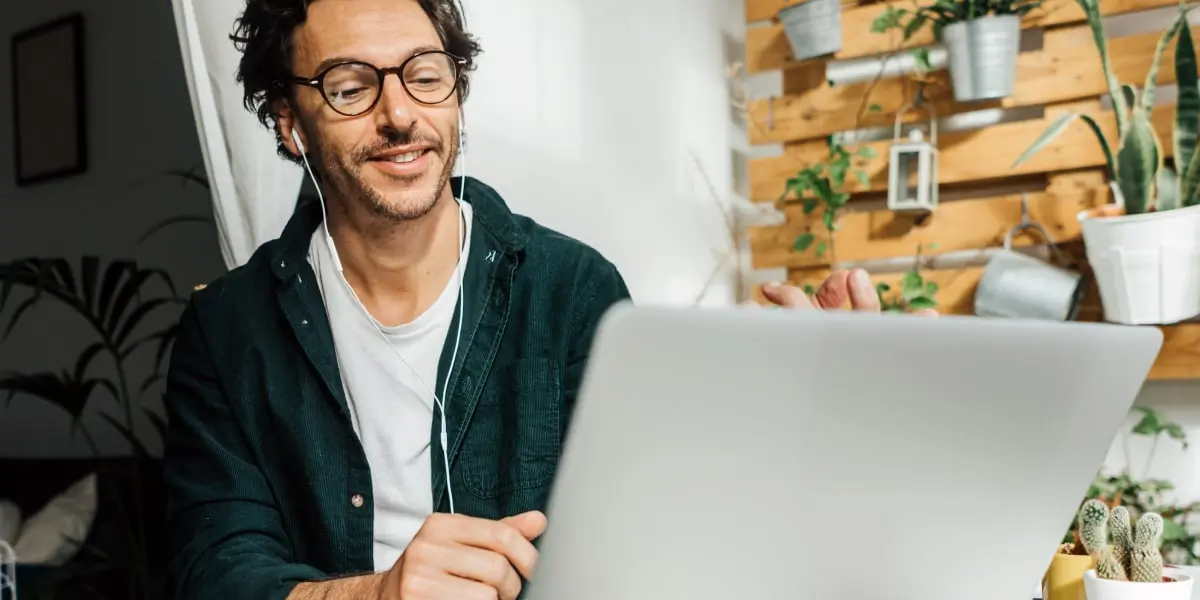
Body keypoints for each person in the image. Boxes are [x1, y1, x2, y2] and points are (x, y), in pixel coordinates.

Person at [160, 1, 909, 599]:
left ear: (457, 92)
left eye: (426, 75)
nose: (399, 115)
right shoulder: (226, 330)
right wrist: (378, 596)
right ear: (290, 124)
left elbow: (651, 532)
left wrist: (816, 422)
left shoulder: (575, 290)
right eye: (351, 87)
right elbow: (215, 571)